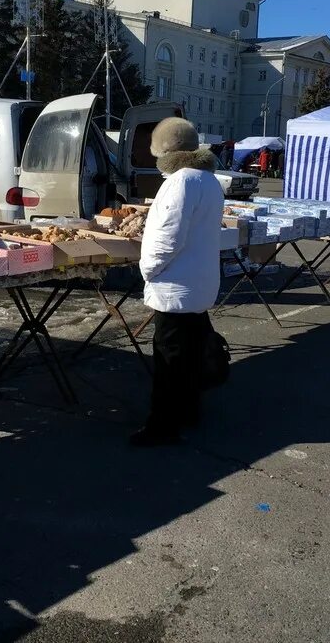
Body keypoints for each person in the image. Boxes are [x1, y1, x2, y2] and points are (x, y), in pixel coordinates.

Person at [133, 117, 225, 447]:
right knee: (190, 354)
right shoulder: (208, 179)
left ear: (164, 151)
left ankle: (162, 426)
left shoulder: (180, 182)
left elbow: (166, 238)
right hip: (199, 282)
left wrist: (148, 270)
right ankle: (189, 411)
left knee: (169, 357)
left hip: (176, 286)